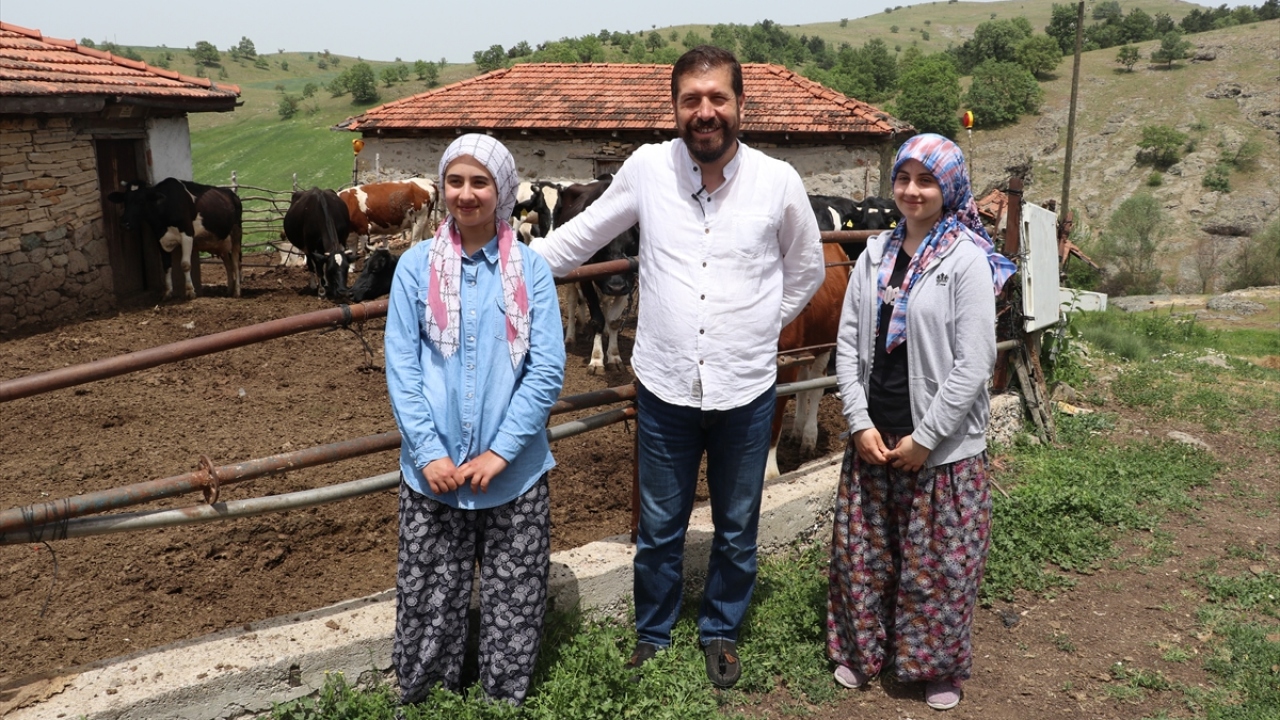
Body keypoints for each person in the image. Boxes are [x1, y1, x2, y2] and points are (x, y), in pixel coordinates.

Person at [530, 46, 826, 689]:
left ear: (741, 104)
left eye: (718, 97)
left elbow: (807, 269)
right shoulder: (646, 169)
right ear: (674, 107)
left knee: (737, 523)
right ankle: (653, 636)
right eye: (691, 99)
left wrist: (760, 325)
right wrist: (494, 261)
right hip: (665, 385)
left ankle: (720, 628)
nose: (705, 111)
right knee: (660, 526)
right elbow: (574, 242)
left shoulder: (778, 183)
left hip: (745, 389)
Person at [826, 133, 1016, 711]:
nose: (912, 191)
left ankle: (936, 668)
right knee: (866, 558)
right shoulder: (876, 253)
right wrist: (858, 421)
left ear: (949, 186)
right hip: (874, 437)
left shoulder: (966, 260)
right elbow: (849, 340)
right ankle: (865, 652)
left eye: (926, 180)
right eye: (903, 178)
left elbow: (975, 362)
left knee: (939, 565)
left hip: (943, 446)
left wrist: (926, 438)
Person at [384, 134, 565, 706]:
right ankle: (424, 697)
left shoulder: (531, 271)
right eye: (455, 181)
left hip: (513, 476)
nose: (466, 195)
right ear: (443, 188)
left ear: (503, 191)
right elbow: (403, 367)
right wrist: (429, 452)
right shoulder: (414, 268)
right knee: (428, 600)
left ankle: (501, 700)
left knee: (515, 601)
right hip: (432, 475)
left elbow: (546, 370)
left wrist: (501, 451)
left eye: (479, 182)